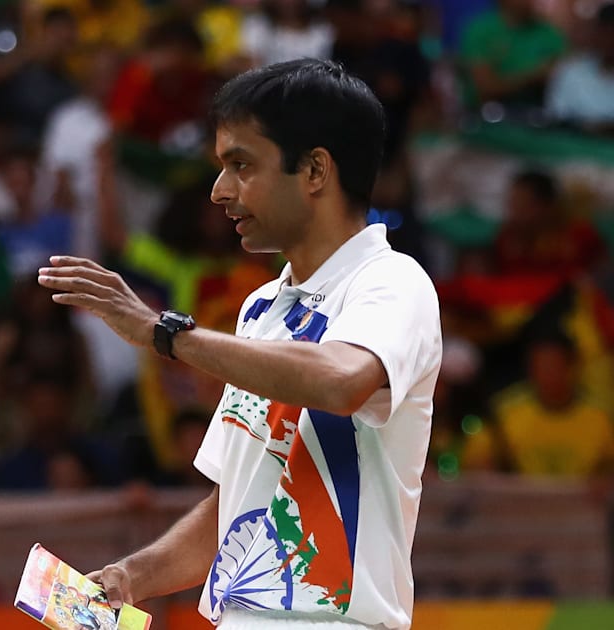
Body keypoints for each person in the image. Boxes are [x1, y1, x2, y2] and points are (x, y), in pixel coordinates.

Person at [38, 59, 443, 629]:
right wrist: (132, 576)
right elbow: (232, 503)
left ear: (315, 170)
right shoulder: (259, 309)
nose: (219, 191)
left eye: (241, 165)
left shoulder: (392, 282)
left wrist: (164, 333)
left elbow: (341, 379)